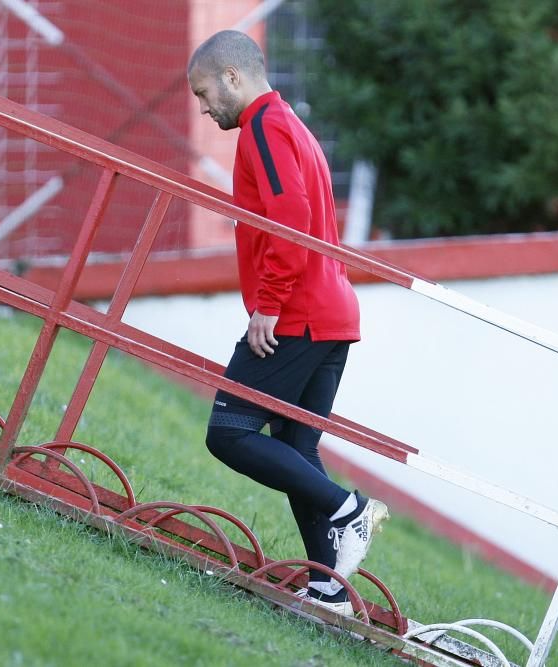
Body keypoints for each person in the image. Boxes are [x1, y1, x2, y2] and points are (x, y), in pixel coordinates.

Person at [187, 30, 389, 615]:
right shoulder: (290, 124)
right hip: (333, 312)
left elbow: (291, 216)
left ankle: (349, 510)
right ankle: (330, 587)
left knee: (228, 431)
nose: (203, 108)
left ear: (233, 77)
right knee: (296, 445)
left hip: (297, 312)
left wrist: (268, 305)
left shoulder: (263, 128)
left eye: (204, 93)